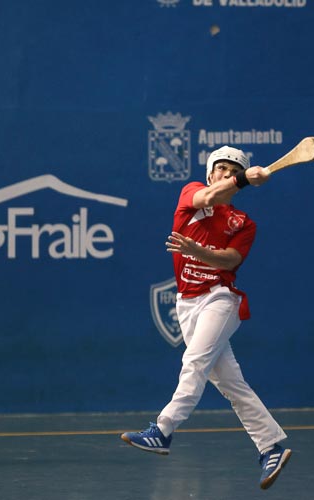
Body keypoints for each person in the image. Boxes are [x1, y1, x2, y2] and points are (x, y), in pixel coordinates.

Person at [121, 146, 292, 490]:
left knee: (194, 362)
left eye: (233, 170)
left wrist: (198, 251)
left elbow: (229, 261)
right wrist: (243, 178)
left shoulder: (244, 223)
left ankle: (162, 430)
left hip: (220, 299)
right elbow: (209, 195)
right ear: (211, 172)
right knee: (230, 384)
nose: (225, 174)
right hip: (187, 305)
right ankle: (270, 447)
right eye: (221, 169)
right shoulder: (191, 193)